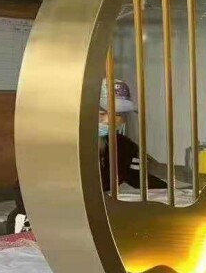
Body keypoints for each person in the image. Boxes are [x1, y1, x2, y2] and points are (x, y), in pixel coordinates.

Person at [9, 78, 166, 232]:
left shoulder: (124, 147)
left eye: (117, 114)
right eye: (101, 112)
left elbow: (138, 177)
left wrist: (171, 194)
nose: (109, 120)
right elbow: (26, 188)